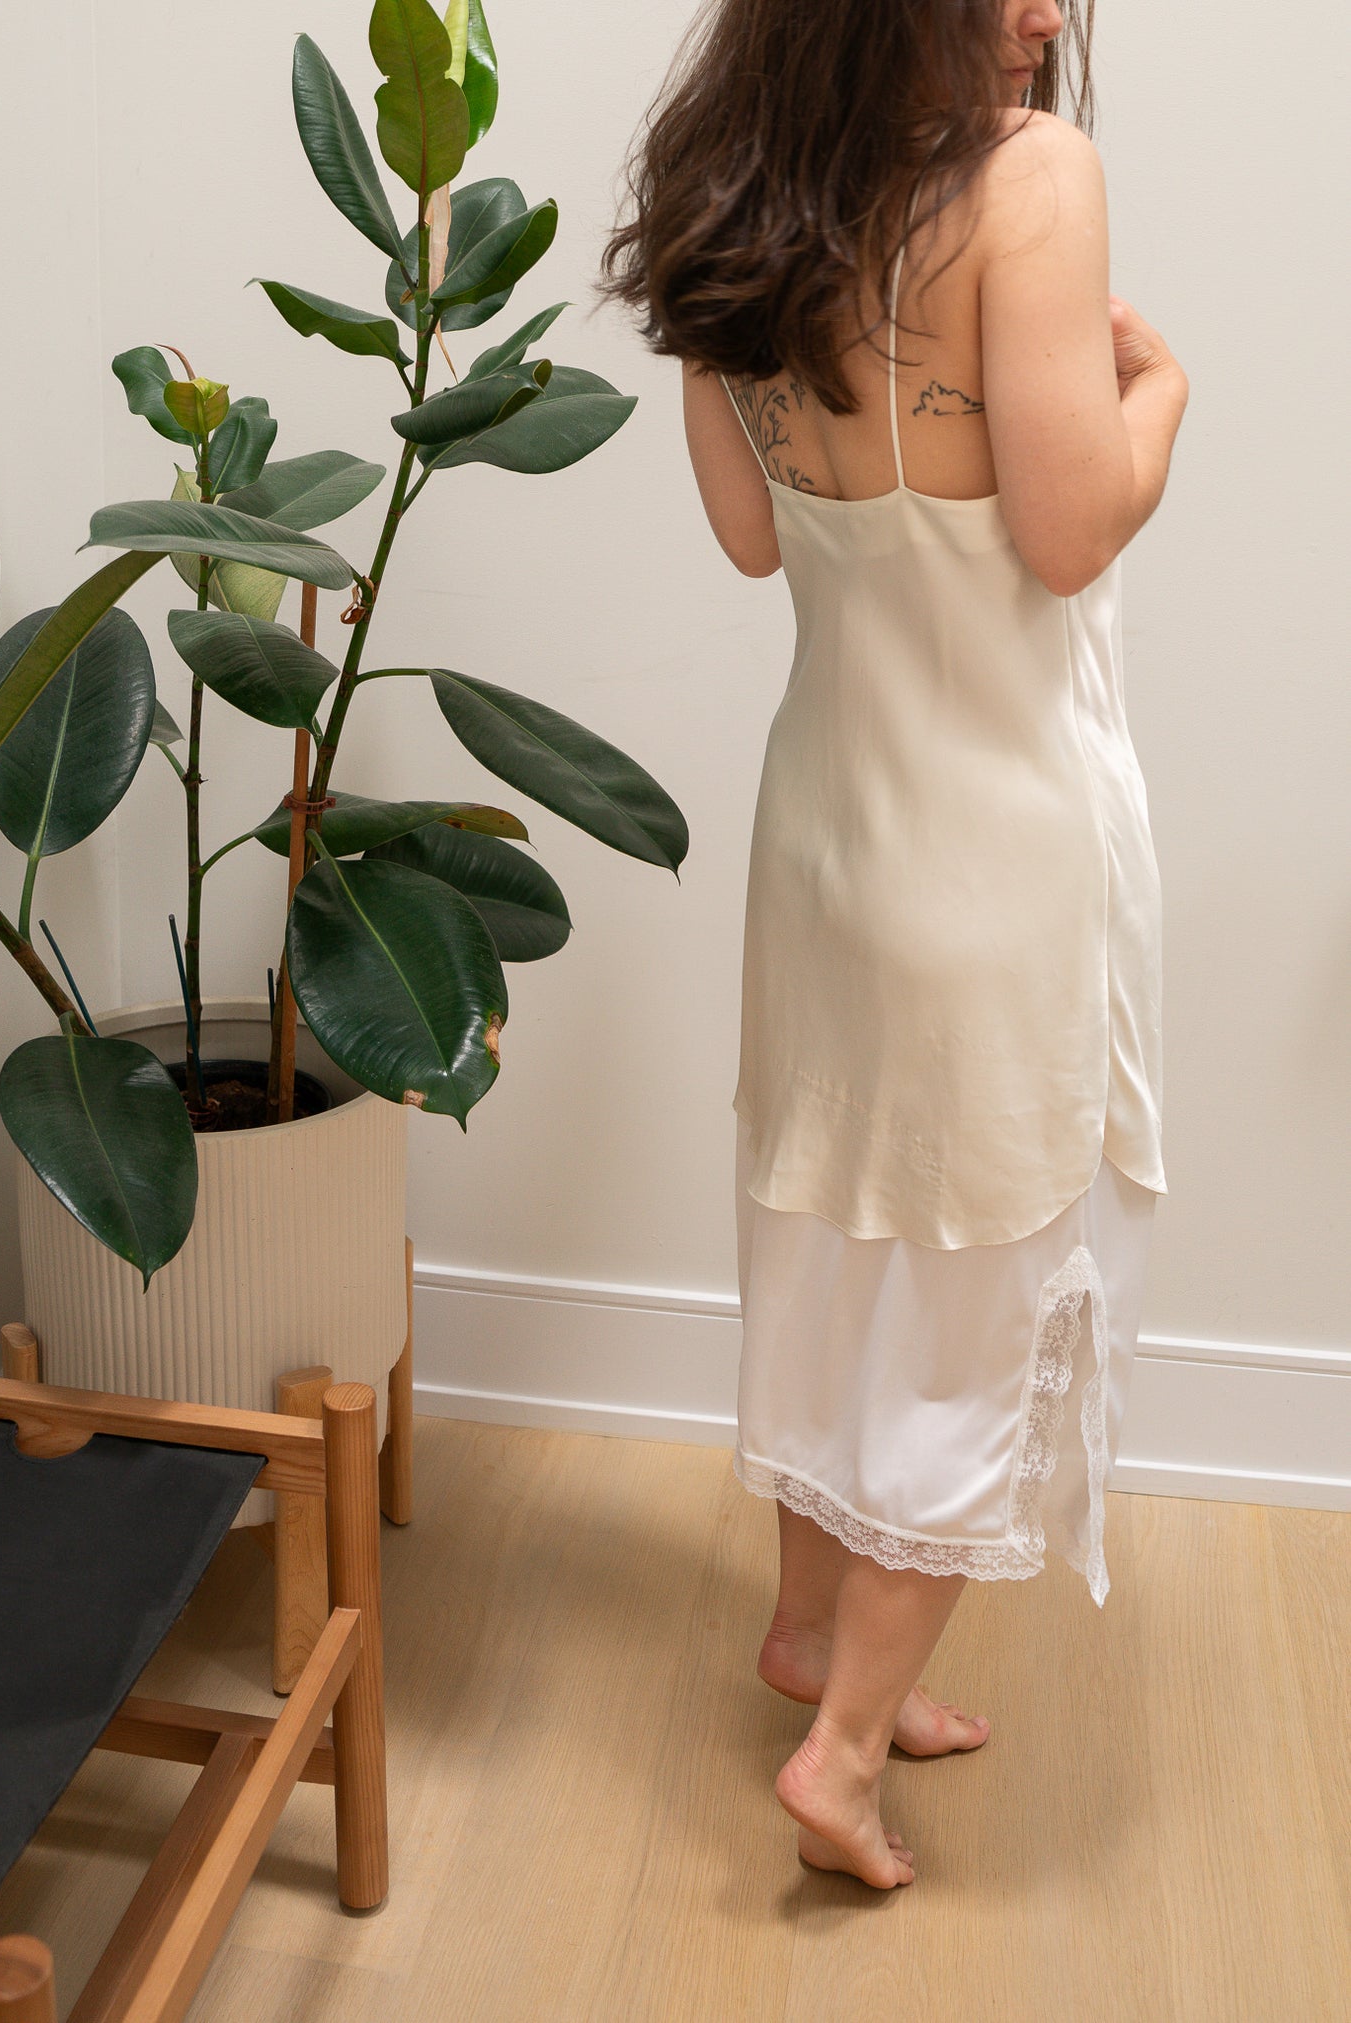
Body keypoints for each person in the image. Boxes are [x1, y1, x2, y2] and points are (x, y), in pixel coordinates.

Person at [600, 0, 1189, 1888]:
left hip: (826, 832)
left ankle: (806, 1638)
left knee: (835, 1234)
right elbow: (1075, 527)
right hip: (984, 859)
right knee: (971, 1295)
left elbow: (747, 537)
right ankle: (843, 1752)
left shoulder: (728, 196)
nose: (1039, 19)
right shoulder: (1031, 183)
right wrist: (1159, 395)